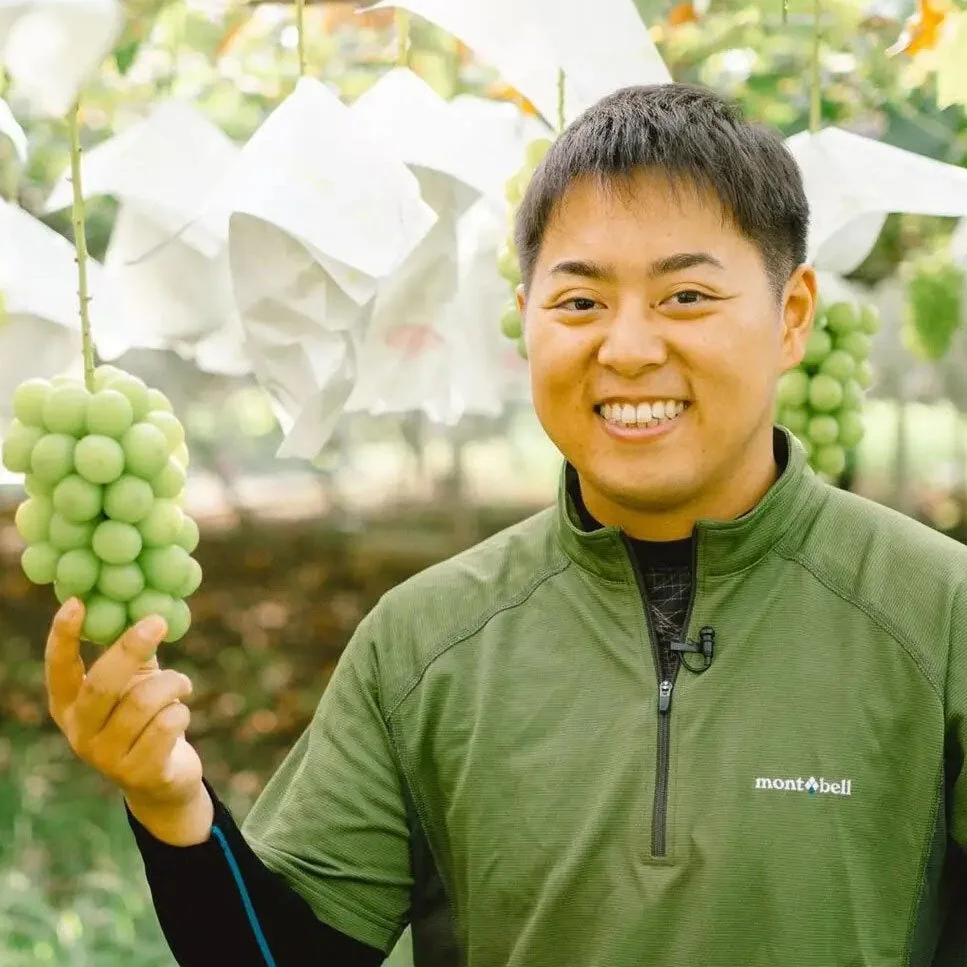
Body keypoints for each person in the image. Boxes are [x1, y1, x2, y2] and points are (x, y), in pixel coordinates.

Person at [43, 82, 967, 967]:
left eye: (685, 296)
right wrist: (173, 809)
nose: (629, 346)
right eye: (579, 301)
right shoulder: (426, 641)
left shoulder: (939, 612)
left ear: (791, 315)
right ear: (526, 319)